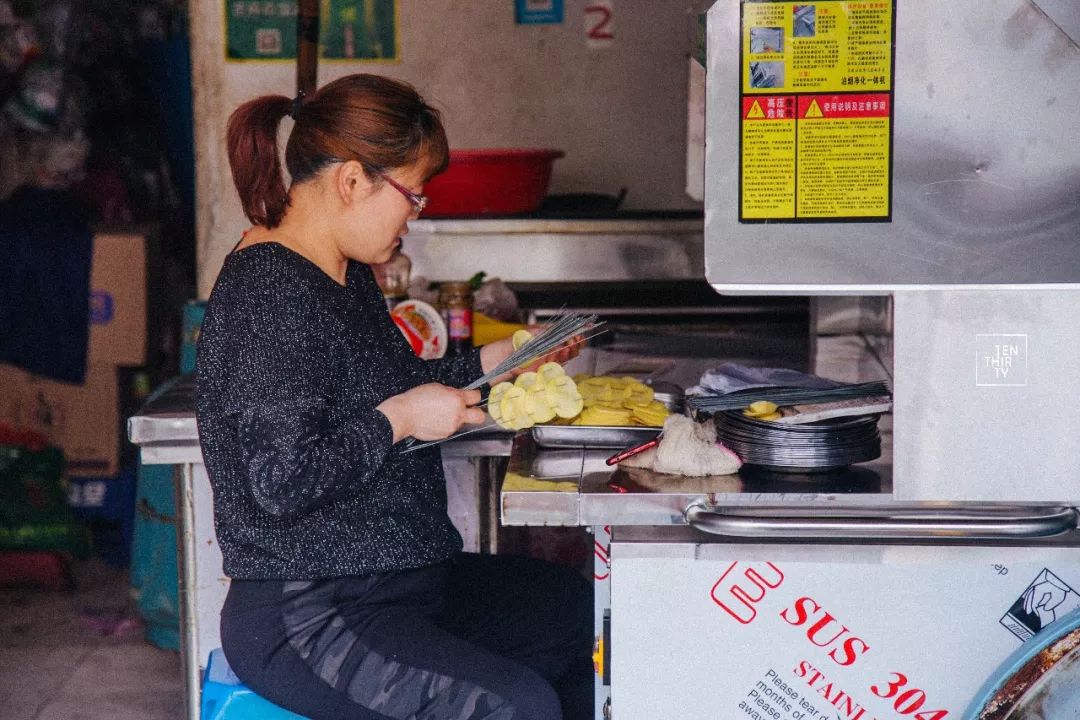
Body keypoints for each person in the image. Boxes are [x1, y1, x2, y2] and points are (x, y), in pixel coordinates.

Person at [194, 74, 593, 720]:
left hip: (398, 582)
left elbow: (398, 388)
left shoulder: (341, 273)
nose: (417, 213)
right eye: (413, 195)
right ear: (352, 182)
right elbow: (281, 478)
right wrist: (400, 420)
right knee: (516, 707)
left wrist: (505, 361)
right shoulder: (271, 294)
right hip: (311, 610)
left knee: (577, 613)